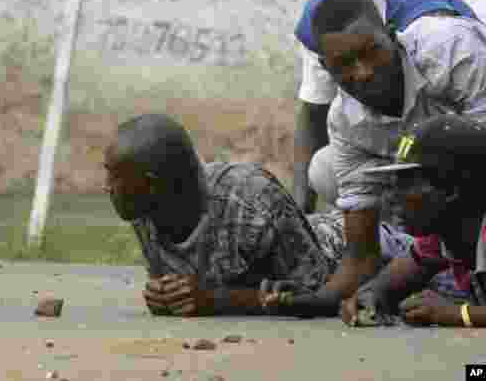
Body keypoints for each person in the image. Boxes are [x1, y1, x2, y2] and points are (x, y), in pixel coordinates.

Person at [266, 0, 486, 317]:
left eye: (371, 52)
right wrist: (319, 300)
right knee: (325, 171)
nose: (363, 72)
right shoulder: (344, 123)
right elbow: (361, 254)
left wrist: (461, 314)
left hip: (469, 189)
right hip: (448, 202)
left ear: (391, 34)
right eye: (344, 65)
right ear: (327, 69)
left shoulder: (452, 51)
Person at [103, 114, 412, 317]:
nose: (106, 187)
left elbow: (319, 294)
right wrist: (165, 294)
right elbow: (187, 284)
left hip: (348, 247)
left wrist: (218, 301)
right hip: (300, 237)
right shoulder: (144, 209)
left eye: (113, 178)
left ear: (152, 183)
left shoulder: (253, 202)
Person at [292, 0, 476, 215]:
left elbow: (452, 122)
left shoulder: (427, 17)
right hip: (402, 142)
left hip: (460, 138)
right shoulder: (321, 18)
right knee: (325, 168)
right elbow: (313, 110)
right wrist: (300, 215)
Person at [340, 114, 485, 328]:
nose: (391, 196)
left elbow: (453, 313)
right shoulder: (443, 237)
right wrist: (369, 297)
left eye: (406, 184)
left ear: (451, 189)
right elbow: (385, 285)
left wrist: (457, 314)